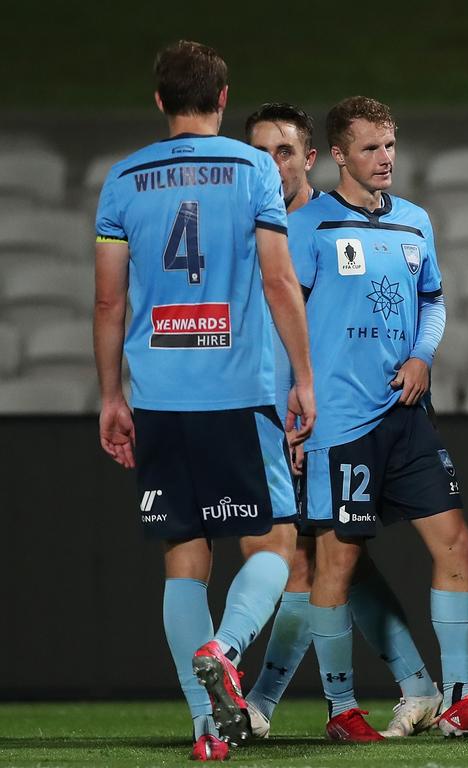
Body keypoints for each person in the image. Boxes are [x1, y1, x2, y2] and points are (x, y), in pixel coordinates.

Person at [92, 41, 315, 761]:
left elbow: (107, 301)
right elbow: (280, 282)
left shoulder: (122, 179)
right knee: (276, 541)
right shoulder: (253, 168)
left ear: (159, 101)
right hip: (237, 390)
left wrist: (109, 396)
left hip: (158, 394)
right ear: (223, 100)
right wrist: (304, 379)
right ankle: (226, 647)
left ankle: (207, 730)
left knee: (184, 558)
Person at [287, 95, 468, 742]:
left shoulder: (415, 222)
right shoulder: (308, 227)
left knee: (458, 544)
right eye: (369, 147)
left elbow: (433, 304)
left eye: (389, 145)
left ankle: (459, 699)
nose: (384, 158)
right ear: (338, 154)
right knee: (336, 565)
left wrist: (422, 355)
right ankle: (341, 709)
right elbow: (284, 326)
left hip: (407, 414)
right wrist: (291, 411)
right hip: (338, 423)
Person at [242, 102, 441, 739]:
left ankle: (265, 704)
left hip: (321, 420)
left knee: (321, 559)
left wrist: (292, 418)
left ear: (310, 158)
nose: (273, 165)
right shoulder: (271, 227)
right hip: (288, 415)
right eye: (261, 153)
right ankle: (414, 685)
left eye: (284, 152)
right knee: (333, 557)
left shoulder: (313, 228)